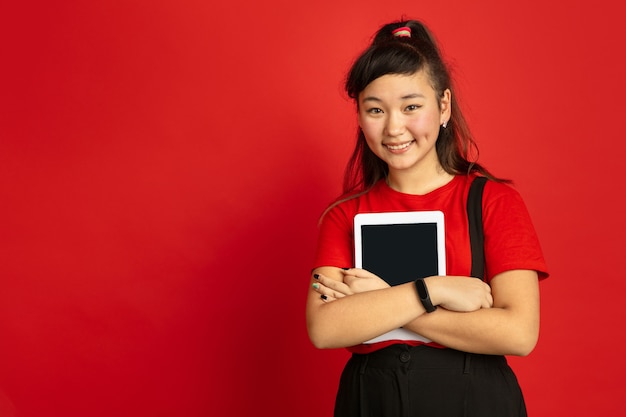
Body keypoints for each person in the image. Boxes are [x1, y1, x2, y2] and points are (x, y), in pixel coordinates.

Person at [306, 19, 549, 417]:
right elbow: (324, 328)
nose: (394, 127)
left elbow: (518, 333)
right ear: (360, 116)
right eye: (375, 110)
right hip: (372, 401)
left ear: (444, 107)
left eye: (411, 106)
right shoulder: (344, 215)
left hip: (476, 400)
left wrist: (380, 301)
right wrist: (432, 290)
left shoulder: (493, 201)